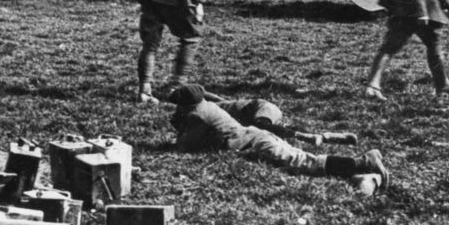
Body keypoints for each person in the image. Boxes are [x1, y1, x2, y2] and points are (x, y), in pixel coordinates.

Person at [166, 85, 389, 194]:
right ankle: (358, 172)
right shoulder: (209, 106)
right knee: (305, 161)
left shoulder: (196, 115)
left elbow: (183, 147)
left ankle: (362, 162)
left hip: (256, 143)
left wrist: (180, 128)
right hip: (257, 137)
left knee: (304, 163)